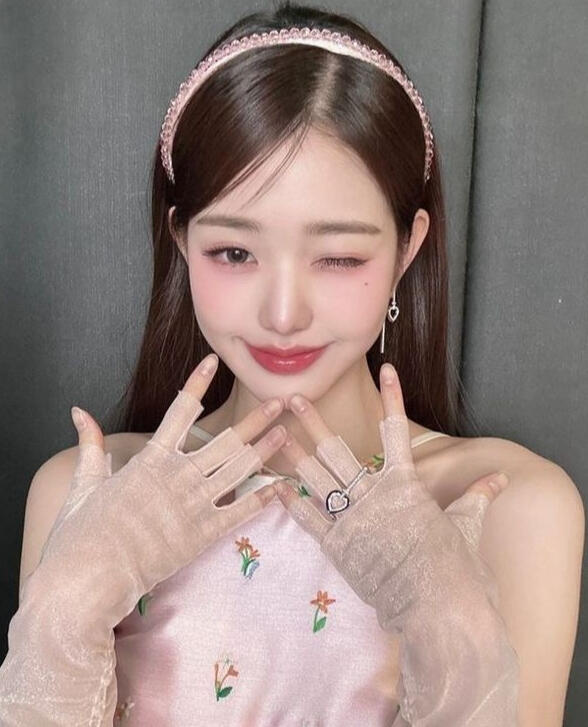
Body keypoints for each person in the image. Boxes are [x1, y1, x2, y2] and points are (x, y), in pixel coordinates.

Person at [1, 2, 583, 726]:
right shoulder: (88, 493)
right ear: (181, 242)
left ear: (407, 248)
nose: (283, 313)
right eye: (234, 252)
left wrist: (452, 628)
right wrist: (64, 611)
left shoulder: (509, 509)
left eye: (337, 257)